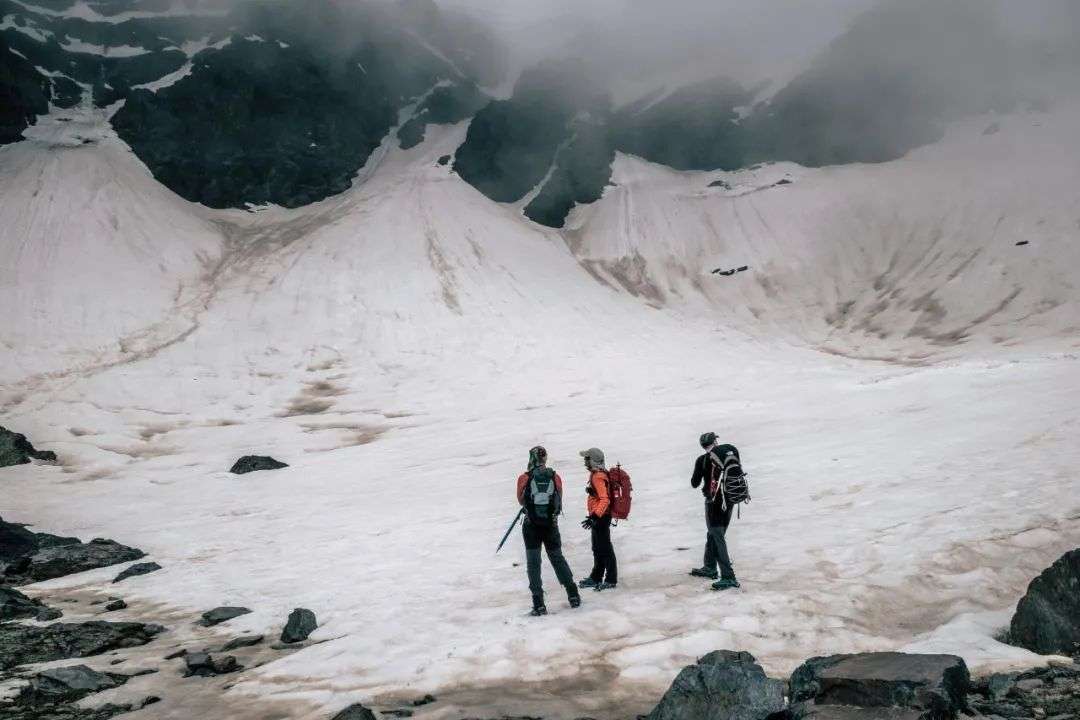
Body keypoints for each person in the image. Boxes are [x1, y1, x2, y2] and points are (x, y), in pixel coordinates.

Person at [517, 446, 581, 616]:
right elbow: (559, 500)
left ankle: (538, 603)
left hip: (531, 526)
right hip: (551, 525)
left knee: (533, 563)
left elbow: (521, 500)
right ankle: (573, 594)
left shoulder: (525, 478)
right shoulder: (555, 476)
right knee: (557, 558)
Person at [689, 432, 741, 590]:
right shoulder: (730, 451)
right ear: (715, 441)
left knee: (717, 535)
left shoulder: (702, 460)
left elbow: (694, 483)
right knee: (714, 533)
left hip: (713, 503)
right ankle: (710, 567)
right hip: (731, 498)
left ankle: (728, 576)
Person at [577, 447, 617, 591]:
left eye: (586, 458)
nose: (584, 461)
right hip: (600, 516)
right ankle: (596, 577)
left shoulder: (597, 476)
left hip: (601, 517)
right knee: (598, 548)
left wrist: (594, 517)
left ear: (593, 460)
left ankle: (611, 579)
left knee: (604, 549)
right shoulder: (599, 474)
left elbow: (604, 500)